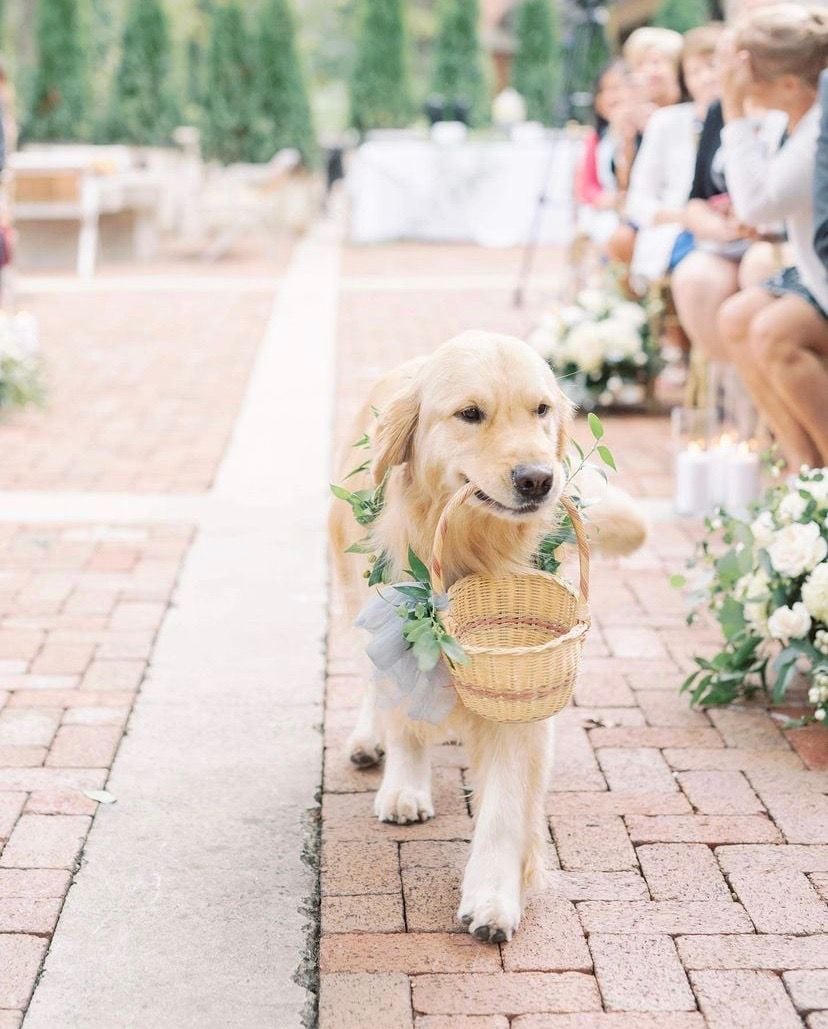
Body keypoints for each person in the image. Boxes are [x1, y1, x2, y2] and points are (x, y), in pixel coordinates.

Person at [717, 4, 828, 469]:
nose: (738, 81)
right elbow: (765, 195)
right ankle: (804, 470)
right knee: (736, 318)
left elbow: (757, 198)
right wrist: (767, 220)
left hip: (820, 271)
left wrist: (731, 106)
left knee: (773, 333)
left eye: (747, 75)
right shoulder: (792, 114)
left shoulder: (819, 125)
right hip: (811, 268)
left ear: (786, 84)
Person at [624, 24, 726, 286]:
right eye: (694, 72)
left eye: (712, 66)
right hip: (678, 234)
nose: (706, 79)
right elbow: (638, 199)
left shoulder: (748, 120)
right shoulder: (666, 122)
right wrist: (685, 217)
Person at [575, 61, 633, 246]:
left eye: (617, 88)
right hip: (602, 207)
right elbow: (587, 185)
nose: (610, 97)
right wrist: (601, 199)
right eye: (604, 90)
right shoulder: (596, 138)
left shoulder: (640, 132)